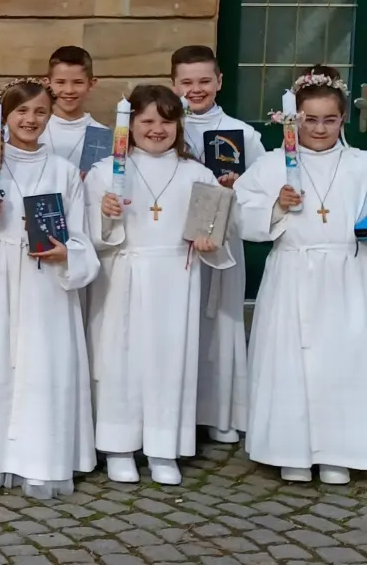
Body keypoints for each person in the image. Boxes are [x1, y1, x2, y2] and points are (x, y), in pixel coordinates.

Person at [0, 79, 98, 498]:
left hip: (43, 282)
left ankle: (42, 459)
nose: (30, 120)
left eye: (38, 112)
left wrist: (65, 253)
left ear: (49, 115)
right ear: (6, 117)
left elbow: (82, 237)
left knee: (41, 368)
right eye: (21, 112)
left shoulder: (63, 171)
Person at [86, 85, 231, 485]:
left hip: (174, 279)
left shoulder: (197, 173)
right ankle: (119, 446)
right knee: (121, 361)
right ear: (129, 124)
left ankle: (164, 449)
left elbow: (213, 231)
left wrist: (208, 239)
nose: (156, 129)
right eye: (146, 121)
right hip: (123, 276)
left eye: (166, 121)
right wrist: (105, 214)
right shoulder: (105, 173)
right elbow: (90, 236)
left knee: (169, 362)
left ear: (178, 124)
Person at [235, 68, 367, 485]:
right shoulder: (273, 165)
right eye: (311, 119)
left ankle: (338, 451)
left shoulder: (360, 164)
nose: (320, 128)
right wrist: (276, 205)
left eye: (330, 119)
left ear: (342, 120)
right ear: (294, 119)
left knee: (340, 363)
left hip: (346, 275)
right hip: (291, 271)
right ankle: (289, 448)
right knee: (288, 361)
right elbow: (241, 212)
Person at [172, 44, 265, 445]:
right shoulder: (163, 127)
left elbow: (261, 193)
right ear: (173, 83)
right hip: (178, 246)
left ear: (220, 81)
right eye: (187, 82)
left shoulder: (243, 134)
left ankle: (220, 412)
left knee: (220, 324)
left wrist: (238, 186)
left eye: (204, 81)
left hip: (223, 242)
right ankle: (181, 411)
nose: (196, 89)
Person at [41, 46, 105, 171]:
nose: (69, 90)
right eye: (60, 82)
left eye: (78, 82)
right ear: (47, 83)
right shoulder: (34, 129)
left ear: (91, 84)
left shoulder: (101, 135)